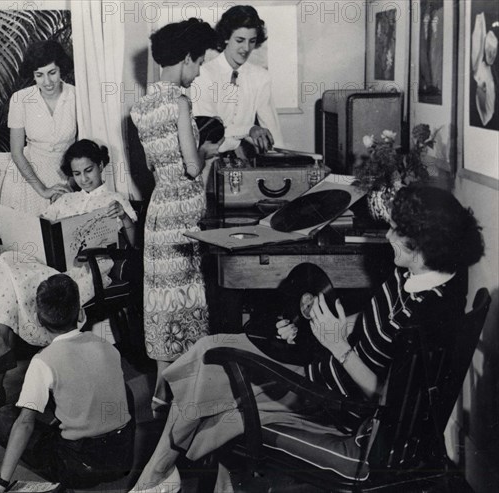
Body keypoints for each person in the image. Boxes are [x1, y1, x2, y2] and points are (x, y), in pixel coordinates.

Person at [129, 185, 485, 492]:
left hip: (335, 404)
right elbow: (381, 322)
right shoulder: (433, 276)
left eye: (393, 230)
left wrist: (340, 348)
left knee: (213, 363)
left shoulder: (426, 319)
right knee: (212, 357)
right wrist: (335, 323)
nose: (387, 235)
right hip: (327, 373)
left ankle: (156, 474)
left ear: (419, 244)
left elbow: (385, 398)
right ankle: (162, 474)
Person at [0, 140, 137, 421]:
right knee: (7, 261)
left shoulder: (114, 200)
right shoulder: (66, 200)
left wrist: (125, 219)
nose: (84, 179)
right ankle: (0, 350)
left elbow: (134, 244)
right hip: (53, 267)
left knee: (16, 278)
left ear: (101, 165)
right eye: (77, 174)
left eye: (89, 170)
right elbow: (39, 230)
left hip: (88, 270)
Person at [130, 18, 221, 414]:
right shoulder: (180, 102)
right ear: (185, 59)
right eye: (198, 62)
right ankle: (190, 389)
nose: (199, 71)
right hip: (184, 209)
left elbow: (156, 163)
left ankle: (159, 392)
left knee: (162, 302)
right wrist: (211, 150)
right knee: (189, 299)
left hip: (157, 210)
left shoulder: (140, 107)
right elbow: (190, 166)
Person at [0, 274, 133, 490]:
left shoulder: (43, 361)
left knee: (4, 419)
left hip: (80, 467)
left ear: (37, 319)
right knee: (117, 387)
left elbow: (25, 424)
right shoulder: (106, 345)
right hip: (121, 458)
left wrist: (2, 482)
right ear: (81, 313)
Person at [192, 5, 283, 154]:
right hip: (206, 158)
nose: (246, 48)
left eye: (252, 41)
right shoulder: (203, 74)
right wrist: (249, 129)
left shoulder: (261, 77)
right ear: (226, 38)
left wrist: (281, 159)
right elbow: (208, 129)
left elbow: (272, 131)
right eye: (240, 40)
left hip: (244, 160)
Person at [0, 40, 76, 216]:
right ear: (32, 75)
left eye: (52, 73)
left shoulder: (77, 96)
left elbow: (83, 147)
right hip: (27, 179)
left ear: (61, 69)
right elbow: (16, 152)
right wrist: (42, 190)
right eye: (39, 75)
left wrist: (70, 184)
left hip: (65, 176)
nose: (47, 81)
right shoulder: (20, 99)